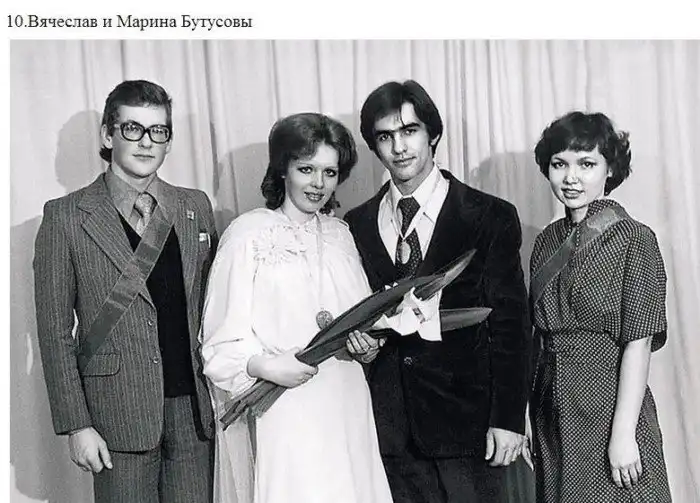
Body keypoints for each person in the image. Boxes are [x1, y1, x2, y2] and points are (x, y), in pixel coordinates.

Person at [201, 112, 413, 503]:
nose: (318, 184)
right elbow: (219, 339)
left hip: (346, 401)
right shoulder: (247, 235)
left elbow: (363, 318)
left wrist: (368, 347)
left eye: (329, 173)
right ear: (283, 168)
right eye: (306, 169)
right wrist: (264, 366)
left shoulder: (341, 235)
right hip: (287, 407)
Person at [344, 79, 532, 502]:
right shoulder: (356, 224)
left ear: (433, 134)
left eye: (409, 131)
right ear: (374, 146)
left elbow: (511, 326)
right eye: (385, 137)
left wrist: (508, 418)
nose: (399, 147)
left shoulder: (488, 216)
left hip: (469, 427)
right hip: (389, 430)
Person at [33, 80, 218, 503]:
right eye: (133, 128)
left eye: (158, 130)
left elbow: (214, 307)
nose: (146, 142)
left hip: (192, 412)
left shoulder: (194, 206)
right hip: (116, 414)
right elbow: (55, 333)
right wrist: (77, 424)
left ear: (169, 140)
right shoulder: (65, 217)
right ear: (107, 135)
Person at [527, 111, 671, 502]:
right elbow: (536, 340)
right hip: (551, 407)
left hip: (608, 402)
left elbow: (639, 343)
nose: (571, 178)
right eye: (560, 164)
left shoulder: (634, 238)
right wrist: (526, 413)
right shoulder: (545, 243)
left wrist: (623, 434)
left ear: (610, 170)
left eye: (586, 164)